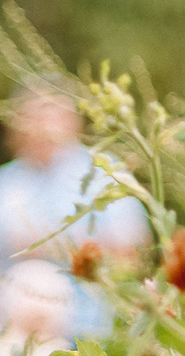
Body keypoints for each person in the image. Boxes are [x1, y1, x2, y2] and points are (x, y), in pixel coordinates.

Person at [0, 80, 149, 342]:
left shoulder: (104, 172)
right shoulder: (7, 182)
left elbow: (134, 249)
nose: (42, 125)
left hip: (96, 326)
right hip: (16, 328)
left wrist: (47, 246)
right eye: (31, 115)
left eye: (51, 113)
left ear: (73, 120)